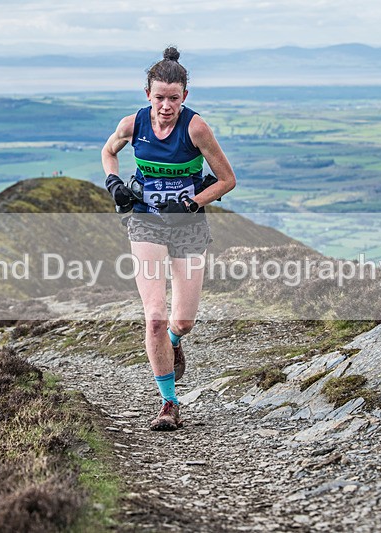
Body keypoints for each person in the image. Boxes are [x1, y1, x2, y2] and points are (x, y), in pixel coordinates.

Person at [101, 47, 236, 431]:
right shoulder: (133, 124)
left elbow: (227, 180)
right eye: (159, 97)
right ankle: (168, 402)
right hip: (146, 221)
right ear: (148, 94)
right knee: (155, 317)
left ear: (184, 97)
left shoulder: (195, 129)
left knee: (183, 320)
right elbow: (108, 151)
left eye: (173, 98)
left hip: (189, 225)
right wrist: (113, 182)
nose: (165, 106)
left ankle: (176, 340)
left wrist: (193, 203)